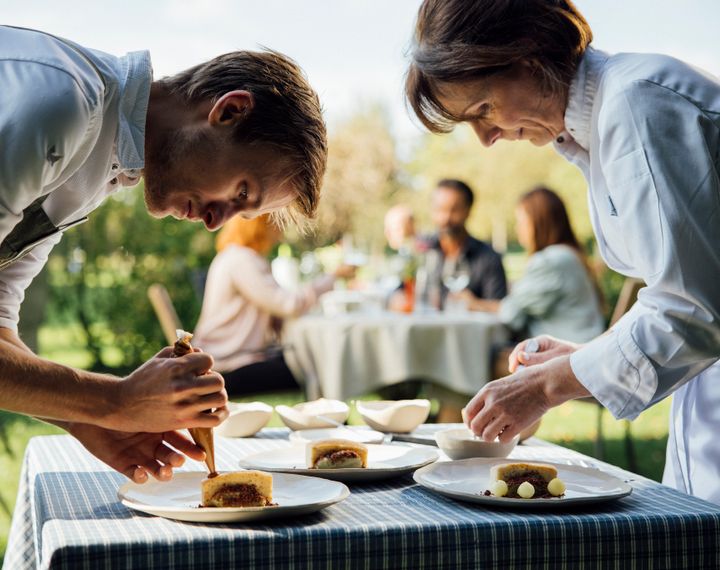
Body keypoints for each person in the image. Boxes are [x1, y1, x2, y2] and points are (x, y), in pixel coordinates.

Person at [406, 0, 720, 503]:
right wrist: (585, 360)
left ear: (528, 58)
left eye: (483, 108)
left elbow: (693, 311)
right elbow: (690, 293)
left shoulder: (637, 103)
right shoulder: (607, 119)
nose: (486, 138)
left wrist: (550, 384)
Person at [0, 26, 327, 483]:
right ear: (229, 111)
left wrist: (88, 418)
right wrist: (113, 402)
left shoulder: (98, 158)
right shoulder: (65, 105)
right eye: (241, 191)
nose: (217, 221)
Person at [193, 215, 354, 395]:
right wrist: (331, 278)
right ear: (260, 227)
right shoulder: (242, 260)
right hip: (227, 365)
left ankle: (328, 419)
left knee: (313, 362)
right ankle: (332, 420)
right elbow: (289, 304)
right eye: (276, 226)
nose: (280, 232)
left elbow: (278, 307)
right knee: (317, 367)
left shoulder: (235, 256)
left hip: (227, 358)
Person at [467, 187, 605, 344]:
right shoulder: (569, 255)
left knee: (484, 357)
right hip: (583, 346)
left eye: (521, 221)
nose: (517, 228)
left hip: (565, 353)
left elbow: (512, 314)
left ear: (539, 223)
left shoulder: (551, 261)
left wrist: (474, 304)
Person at [427, 179, 507, 304]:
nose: (446, 217)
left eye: (454, 210)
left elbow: (500, 310)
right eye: (440, 209)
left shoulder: (489, 258)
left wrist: (475, 304)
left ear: (468, 211)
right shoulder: (422, 252)